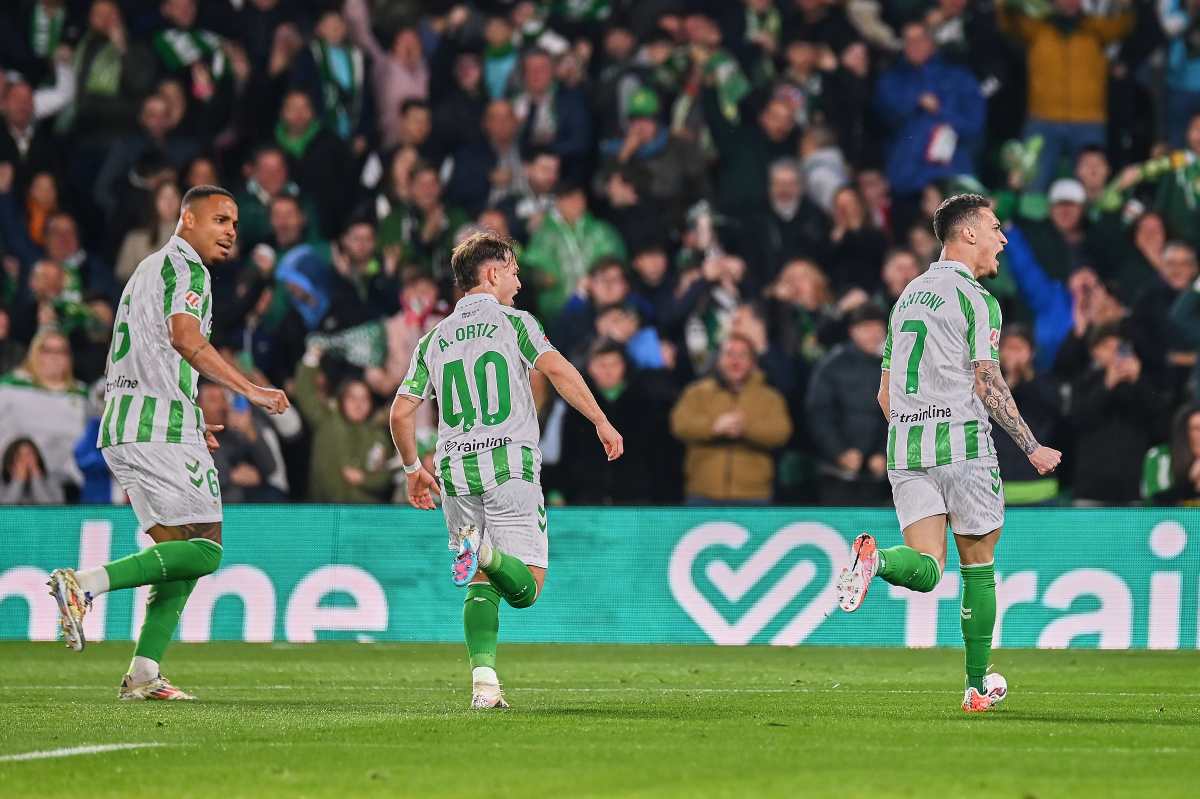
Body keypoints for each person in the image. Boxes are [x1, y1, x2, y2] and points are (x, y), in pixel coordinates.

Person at [46, 185, 290, 701]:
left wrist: (190, 413)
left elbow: (152, 351)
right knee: (206, 549)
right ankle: (84, 584)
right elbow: (186, 338)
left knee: (179, 552)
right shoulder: (188, 269)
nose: (230, 232)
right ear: (188, 220)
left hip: (129, 424)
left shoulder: (147, 269)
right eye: (220, 220)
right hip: (156, 429)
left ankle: (143, 673)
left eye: (235, 224)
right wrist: (250, 390)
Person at [836, 193, 1062, 713]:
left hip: (904, 446)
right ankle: (976, 686)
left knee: (927, 566)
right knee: (978, 566)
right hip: (962, 445)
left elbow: (885, 394)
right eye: (996, 228)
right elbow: (987, 381)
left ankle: (876, 560)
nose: (1003, 240)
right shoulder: (977, 299)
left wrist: (914, 430)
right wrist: (1031, 446)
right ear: (969, 233)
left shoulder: (906, 298)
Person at [389, 230, 623, 709]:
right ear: (492, 273)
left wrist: (413, 468)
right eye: (514, 271)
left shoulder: (433, 338)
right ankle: (485, 553)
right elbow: (558, 370)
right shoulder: (515, 323)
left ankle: (485, 686)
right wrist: (600, 420)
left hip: (454, 471)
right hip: (509, 466)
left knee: (480, 584)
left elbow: (399, 413)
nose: (519, 281)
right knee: (527, 588)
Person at [669, 334, 793, 504]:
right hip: (703, 494)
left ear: (753, 362)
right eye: (729, 354)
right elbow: (680, 425)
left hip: (753, 496)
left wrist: (745, 429)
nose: (735, 361)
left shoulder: (770, 397)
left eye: (742, 355)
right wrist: (714, 427)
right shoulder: (696, 393)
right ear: (718, 360)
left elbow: (781, 433)